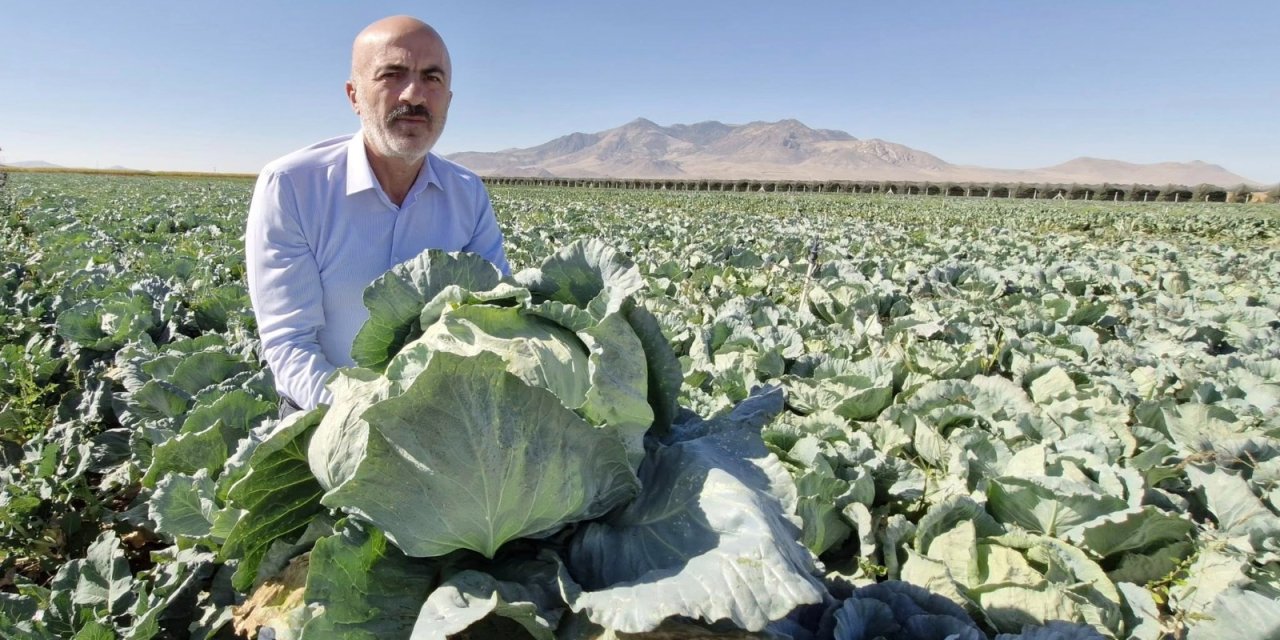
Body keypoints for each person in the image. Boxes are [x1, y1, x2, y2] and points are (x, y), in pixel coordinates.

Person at [245, 16, 510, 413]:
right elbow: (291, 344)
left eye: (432, 78)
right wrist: (372, 416)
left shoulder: (467, 193)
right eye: (392, 74)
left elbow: (497, 315)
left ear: (449, 101)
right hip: (323, 419)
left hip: (446, 423)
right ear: (354, 95)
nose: (414, 95)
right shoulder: (292, 186)